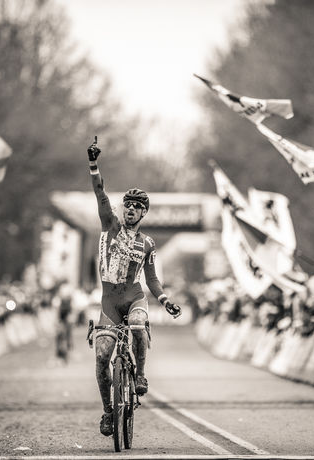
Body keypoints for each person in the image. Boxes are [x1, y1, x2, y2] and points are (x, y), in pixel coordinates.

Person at [86, 137, 181, 437]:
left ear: (143, 214)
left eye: (137, 207)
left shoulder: (148, 243)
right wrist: (93, 164)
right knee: (102, 357)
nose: (130, 210)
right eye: (128, 205)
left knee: (139, 324)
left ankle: (140, 374)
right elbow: (100, 192)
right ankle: (107, 411)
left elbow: (151, 279)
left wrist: (165, 301)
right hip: (109, 303)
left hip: (134, 297)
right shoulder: (110, 225)